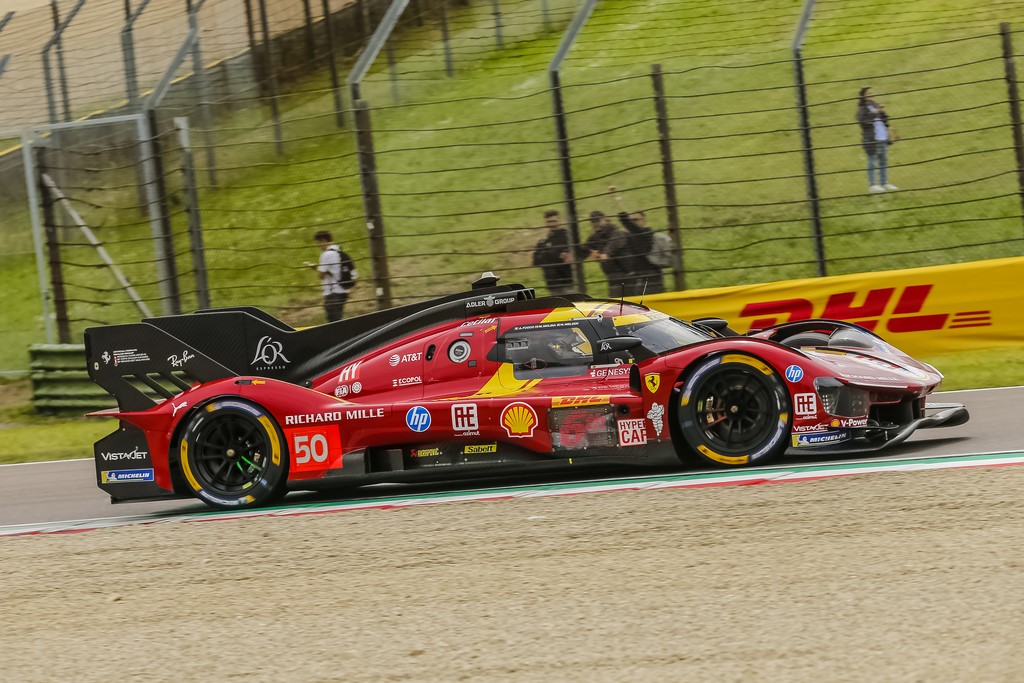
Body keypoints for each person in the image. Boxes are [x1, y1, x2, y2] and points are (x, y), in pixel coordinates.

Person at [609, 186, 665, 295]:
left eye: (636, 219)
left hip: (651, 278)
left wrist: (616, 198)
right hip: (640, 278)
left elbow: (625, 220)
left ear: (643, 221)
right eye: (632, 220)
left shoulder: (645, 234)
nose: (633, 222)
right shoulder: (632, 236)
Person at [582, 210, 636, 297]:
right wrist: (591, 252)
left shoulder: (617, 232)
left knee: (628, 299)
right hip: (612, 275)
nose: (597, 224)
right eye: (594, 222)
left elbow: (614, 243)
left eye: (598, 221)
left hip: (625, 274)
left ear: (605, 219)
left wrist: (605, 254)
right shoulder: (596, 236)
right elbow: (584, 248)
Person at [308, 230, 356, 322]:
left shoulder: (326, 255)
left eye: (318, 243)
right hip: (343, 291)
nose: (318, 246)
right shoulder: (340, 253)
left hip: (332, 293)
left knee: (334, 322)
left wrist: (316, 268)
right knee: (338, 319)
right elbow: (334, 272)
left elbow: (321, 276)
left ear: (324, 241)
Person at [857, 86, 897, 193]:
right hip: (871, 139)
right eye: (868, 93)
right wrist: (876, 112)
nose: (871, 95)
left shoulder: (875, 105)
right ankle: (873, 184)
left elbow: (885, 119)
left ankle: (884, 183)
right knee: (872, 162)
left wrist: (882, 113)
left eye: (872, 93)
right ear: (863, 96)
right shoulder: (862, 109)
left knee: (883, 160)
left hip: (882, 136)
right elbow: (863, 123)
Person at [531, 209, 574, 296]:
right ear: (545, 223)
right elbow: (535, 261)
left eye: (554, 221)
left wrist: (546, 255)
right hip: (552, 285)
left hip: (567, 283)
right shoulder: (543, 242)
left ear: (559, 221)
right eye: (549, 222)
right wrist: (555, 254)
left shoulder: (567, 236)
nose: (552, 224)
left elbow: (569, 256)